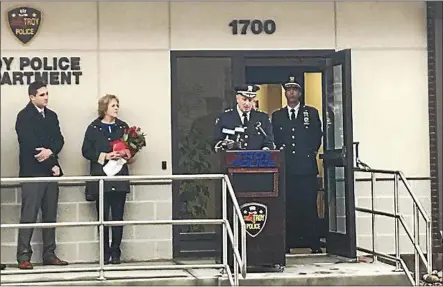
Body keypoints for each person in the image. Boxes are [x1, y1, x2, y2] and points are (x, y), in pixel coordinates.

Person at [15, 80, 67, 269]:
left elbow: (59, 139)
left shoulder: (52, 116)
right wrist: (51, 162)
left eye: (47, 94)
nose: (46, 97)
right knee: (29, 215)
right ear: (32, 96)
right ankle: (23, 256)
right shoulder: (24, 116)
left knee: (50, 214)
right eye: (42, 94)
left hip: (50, 173)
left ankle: (49, 254)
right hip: (32, 173)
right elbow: (30, 144)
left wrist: (51, 153)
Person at [271, 76, 323, 254]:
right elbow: (275, 140)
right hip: (287, 168)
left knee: (309, 205)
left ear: (300, 93)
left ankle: (313, 242)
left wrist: (309, 153)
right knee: (288, 206)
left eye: (294, 89)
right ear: (285, 93)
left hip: (306, 167)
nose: (291, 92)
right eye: (288, 89)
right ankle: (287, 243)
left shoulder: (311, 113)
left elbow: (317, 135)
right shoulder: (277, 116)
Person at [81, 94, 133, 265]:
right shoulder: (94, 128)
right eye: (113, 105)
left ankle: (116, 252)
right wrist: (105, 155)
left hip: (118, 178)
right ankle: (104, 253)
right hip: (102, 178)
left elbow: (131, 147)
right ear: (104, 108)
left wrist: (125, 154)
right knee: (103, 218)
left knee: (118, 217)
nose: (116, 108)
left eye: (117, 105)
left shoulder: (123, 127)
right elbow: (86, 151)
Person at [213, 85, 274, 151]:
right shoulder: (224, 118)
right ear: (237, 99)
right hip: (232, 159)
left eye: (250, 100)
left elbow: (269, 142)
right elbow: (215, 143)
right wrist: (224, 145)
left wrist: (265, 150)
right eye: (244, 99)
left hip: (256, 159)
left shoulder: (263, 118)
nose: (247, 103)